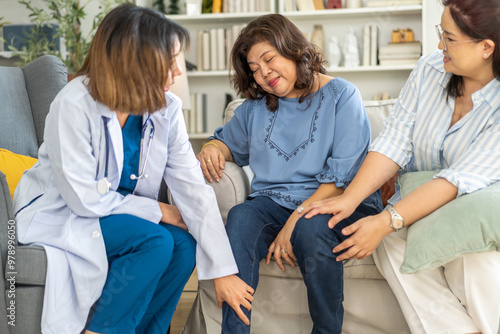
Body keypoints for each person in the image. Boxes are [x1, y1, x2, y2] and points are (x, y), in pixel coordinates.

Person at [13, 4, 254, 334]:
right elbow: (83, 198)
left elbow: (192, 186)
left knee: (183, 246)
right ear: (134, 60)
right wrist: (155, 209)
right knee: (155, 241)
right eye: (170, 62)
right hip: (65, 213)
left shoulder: (165, 107)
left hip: (120, 214)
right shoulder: (73, 104)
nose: (178, 72)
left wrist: (222, 269)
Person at [300, 0, 500, 333]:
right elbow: (393, 142)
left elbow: (454, 181)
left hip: (467, 209)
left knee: (475, 261)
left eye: (449, 38)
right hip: (413, 204)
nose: (440, 45)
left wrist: (386, 220)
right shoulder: (430, 68)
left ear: (486, 47)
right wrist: (349, 200)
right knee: (389, 245)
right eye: (441, 33)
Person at [196, 14, 382, 334]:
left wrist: (296, 219)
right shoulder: (255, 108)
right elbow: (226, 143)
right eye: (254, 69)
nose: (264, 73)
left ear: (293, 49)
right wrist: (213, 148)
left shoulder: (342, 95)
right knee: (241, 217)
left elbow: (343, 178)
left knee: (311, 229)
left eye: (269, 59)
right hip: (273, 203)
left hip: (337, 201)